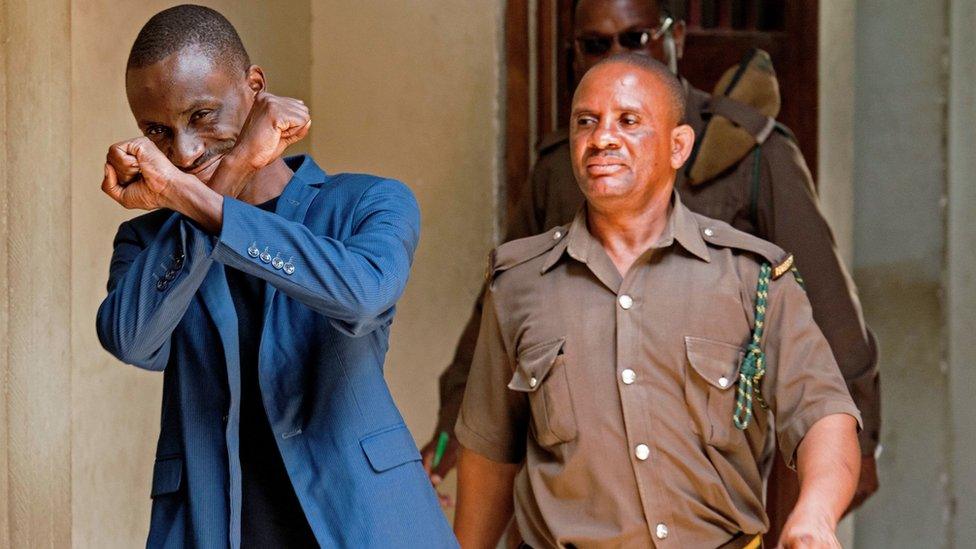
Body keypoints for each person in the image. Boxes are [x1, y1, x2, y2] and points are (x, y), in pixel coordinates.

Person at [425, 0, 880, 532]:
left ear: (674, 38)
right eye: (596, 45)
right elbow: (497, 337)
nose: (605, 138)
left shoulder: (753, 168)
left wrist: (841, 474)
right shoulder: (553, 181)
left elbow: (825, 339)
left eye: (634, 39)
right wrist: (446, 433)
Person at [95, 5, 456, 548]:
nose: (184, 153)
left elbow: (361, 296)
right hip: (215, 524)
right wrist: (230, 173)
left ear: (254, 87)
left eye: (201, 116)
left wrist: (197, 199)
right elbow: (133, 341)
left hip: (364, 521)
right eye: (157, 132)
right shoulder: (149, 242)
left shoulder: (368, 203)